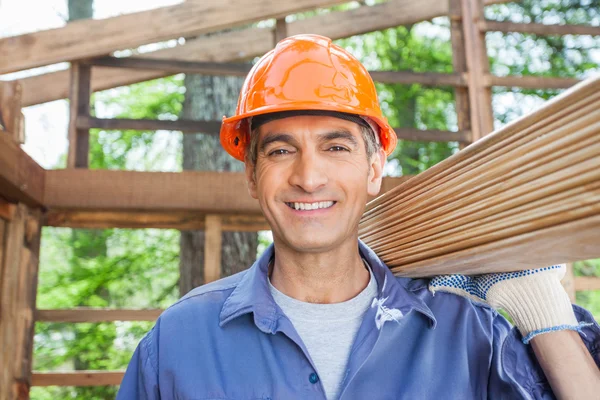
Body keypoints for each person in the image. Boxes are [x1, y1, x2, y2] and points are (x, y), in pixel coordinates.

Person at [117, 34, 600, 399]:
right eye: (282, 150)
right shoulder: (178, 342)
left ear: (374, 169)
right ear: (252, 175)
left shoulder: (466, 332)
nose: (308, 177)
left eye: (336, 147)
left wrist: (544, 312)